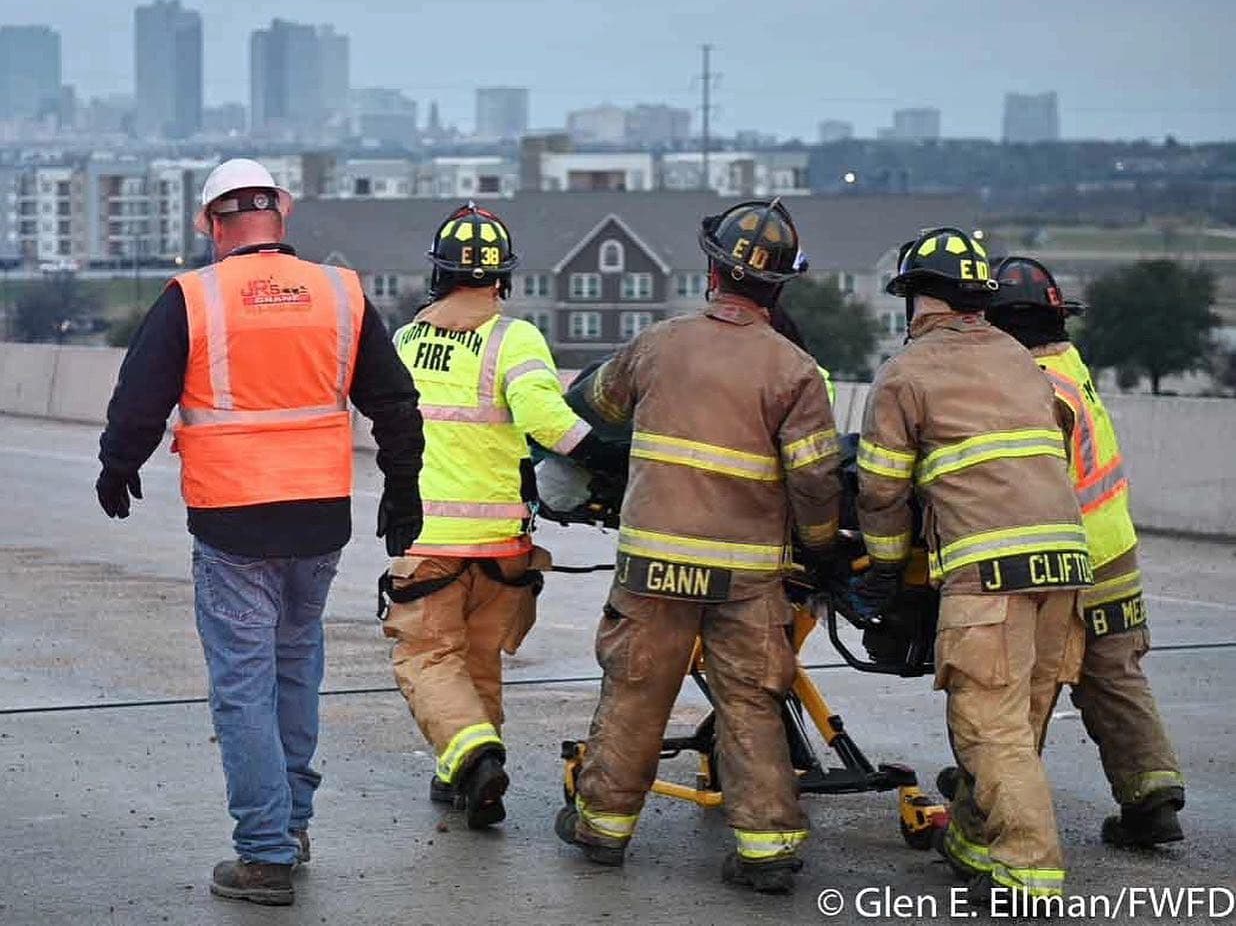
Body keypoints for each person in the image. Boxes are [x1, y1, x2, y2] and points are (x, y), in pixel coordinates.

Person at [96, 158, 424, 906]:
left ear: (209, 225)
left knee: (244, 686)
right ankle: (293, 826)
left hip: (233, 522)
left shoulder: (194, 296)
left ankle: (265, 853)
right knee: (294, 669)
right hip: (319, 519)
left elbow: (140, 398)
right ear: (285, 211)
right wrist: (404, 488)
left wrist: (118, 465)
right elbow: (394, 400)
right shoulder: (341, 293)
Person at [555, 198, 843, 895]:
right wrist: (822, 545)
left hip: (654, 563)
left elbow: (593, 402)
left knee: (635, 688)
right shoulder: (796, 369)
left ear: (714, 271)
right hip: (746, 575)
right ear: (779, 287)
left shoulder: (661, 343)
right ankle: (767, 847)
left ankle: (602, 828)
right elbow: (815, 479)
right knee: (750, 698)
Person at [852, 228, 1090, 905]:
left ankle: (1028, 872)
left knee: (989, 724)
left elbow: (880, 487)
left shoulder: (907, 373)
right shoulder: (1019, 357)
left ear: (917, 299)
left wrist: (888, 572)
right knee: (1022, 722)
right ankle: (974, 839)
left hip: (989, 572)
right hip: (1067, 562)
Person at [381, 202, 600, 830]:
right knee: (479, 660)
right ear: (502, 276)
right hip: (503, 542)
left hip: (429, 539)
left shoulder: (408, 337)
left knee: (426, 656)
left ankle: (474, 755)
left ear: (439, 273)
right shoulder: (513, 337)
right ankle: (469, 775)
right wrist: (610, 451)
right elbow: (549, 423)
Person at [985, 255, 1185, 847]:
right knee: (1113, 673)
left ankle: (997, 789)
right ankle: (1151, 791)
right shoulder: (1069, 365)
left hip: (1069, 556)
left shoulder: (1031, 388)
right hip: (1115, 548)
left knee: (1031, 675)